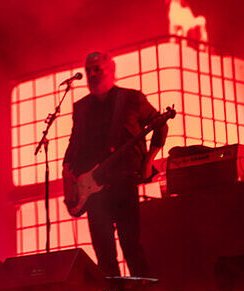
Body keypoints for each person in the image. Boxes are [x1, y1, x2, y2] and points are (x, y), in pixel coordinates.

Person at [62, 51, 168, 278]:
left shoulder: (131, 99)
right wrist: (67, 173)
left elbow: (161, 125)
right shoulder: (81, 108)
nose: (91, 74)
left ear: (111, 70)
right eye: (88, 69)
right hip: (92, 190)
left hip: (123, 182)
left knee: (132, 246)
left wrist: (150, 159)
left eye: (97, 69)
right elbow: (74, 143)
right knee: (104, 254)